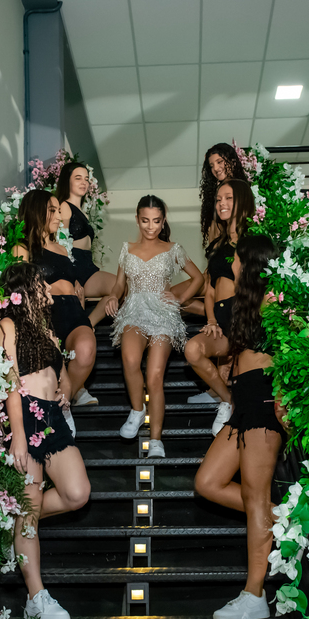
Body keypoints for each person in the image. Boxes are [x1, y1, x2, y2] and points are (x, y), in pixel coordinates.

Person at [0, 263, 92, 619]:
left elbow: (63, 377)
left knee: (77, 493)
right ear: (24, 289)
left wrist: (65, 391)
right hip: (24, 416)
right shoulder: (7, 325)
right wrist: (19, 435)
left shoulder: (47, 329)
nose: (49, 292)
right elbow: (9, 382)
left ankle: (16, 520)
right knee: (29, 510)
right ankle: (37, 597)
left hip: (52, 418)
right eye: (42, 286)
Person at [193, 235, 285, 619]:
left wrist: (282, 399)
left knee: (255, 497)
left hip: (263, 401)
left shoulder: (277, 302)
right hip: (243, 402)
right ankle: (288, 518)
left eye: (235, 259)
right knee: (207, 482)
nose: (230, 264)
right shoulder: (248, 304)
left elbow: (291, 353)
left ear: (250, 264)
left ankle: (254, 594)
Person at [104, 195, 204, 458]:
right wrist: (113, 295)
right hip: (134, 312)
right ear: (137, 220)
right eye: (145, 220)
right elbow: (119, 284)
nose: (151, 226)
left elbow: (198, 278)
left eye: (156, 221)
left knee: (155, 376)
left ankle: (156, 439)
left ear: (163, 220)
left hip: (162, 315)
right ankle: (138, 410)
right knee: (130, 359)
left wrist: (180, 299)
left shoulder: (174, 249)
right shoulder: (127, 249)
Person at [12, 189, 97, 422]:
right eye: (53, 211)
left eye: (59, 211)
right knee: (53, 367)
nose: (59, 217)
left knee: (86, 350)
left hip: (73, 309)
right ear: (37, 211)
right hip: (46, 312)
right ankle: (58, 411)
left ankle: (63, 406)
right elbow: (21, 288)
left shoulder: (61, 247)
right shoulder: (22, 248)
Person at [184, 178, 254, 432]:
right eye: (218, 199)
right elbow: (210, 290)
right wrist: (211, 320)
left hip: (243, 317)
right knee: (192, 349)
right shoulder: (217, 245)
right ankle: (226, 400)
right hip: (220, 318)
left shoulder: (253, 241)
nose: (221, 203)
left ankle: (230, 402)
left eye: (229, 198)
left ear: (243, 201)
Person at [55, 162, 117, 342]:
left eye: (86, 179)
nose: (84, 182)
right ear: (67, 181)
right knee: (117, 286)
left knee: (119, 288)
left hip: (87, 265)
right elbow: (61, 244)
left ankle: (88, 324)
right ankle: (84, 326)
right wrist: (71, 278)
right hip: (73, 266)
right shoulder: (64, 207)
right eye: (78, 178)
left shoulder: (84, 212)